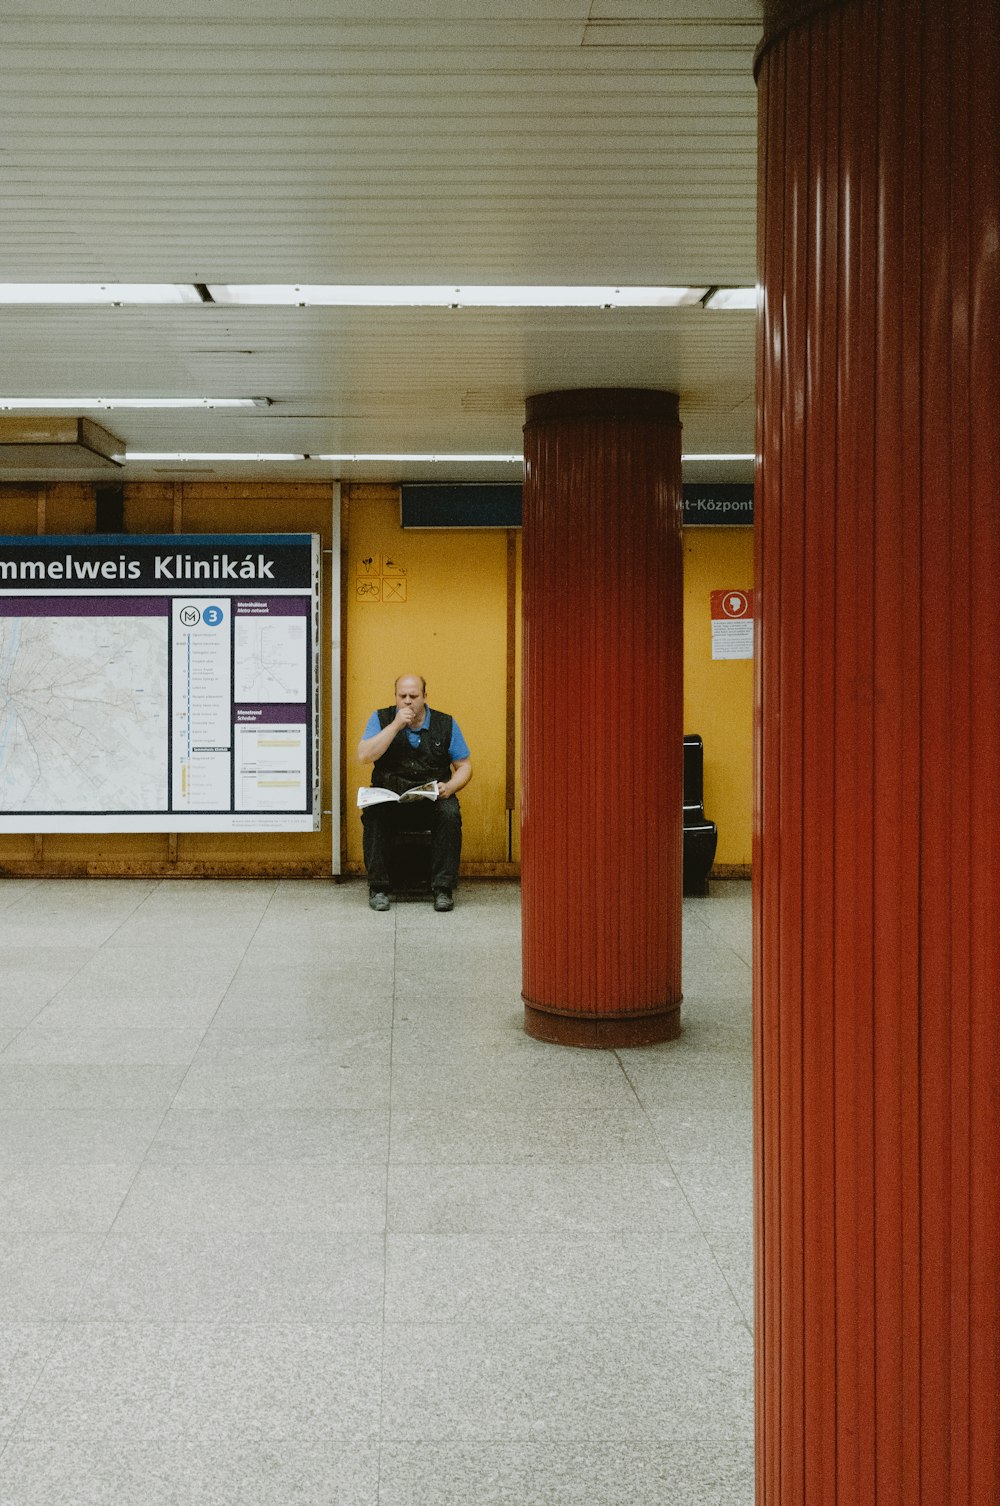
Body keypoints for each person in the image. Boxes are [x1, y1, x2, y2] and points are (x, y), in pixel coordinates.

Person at [357, 673, 472, 911]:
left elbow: (465, 766)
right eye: (403, 696)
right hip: (391, 800)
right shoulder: (381, 718)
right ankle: (378, 887)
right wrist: (396, 725)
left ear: (425, 697)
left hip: (430, 800)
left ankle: (443, 888)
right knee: (373, 813)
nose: (408, 701)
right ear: (396, 697)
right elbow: (365, 755)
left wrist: (450, 787)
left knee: (449, 813)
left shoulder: (445, 723)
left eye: (414, 696)